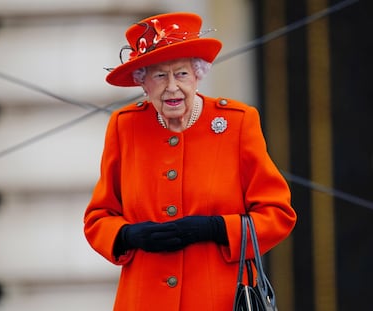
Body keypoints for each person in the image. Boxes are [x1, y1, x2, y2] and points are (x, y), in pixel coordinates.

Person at [83, 12, 296, 311]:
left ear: (198, 74)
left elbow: (278, 214)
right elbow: (97, 219)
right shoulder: (125, 126)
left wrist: (215, 228)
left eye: (181, 73)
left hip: (219, 300)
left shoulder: (237, 123)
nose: (172, 87)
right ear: (143, 83)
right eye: (159, 75)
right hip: (144, 300)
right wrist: (130, 235)